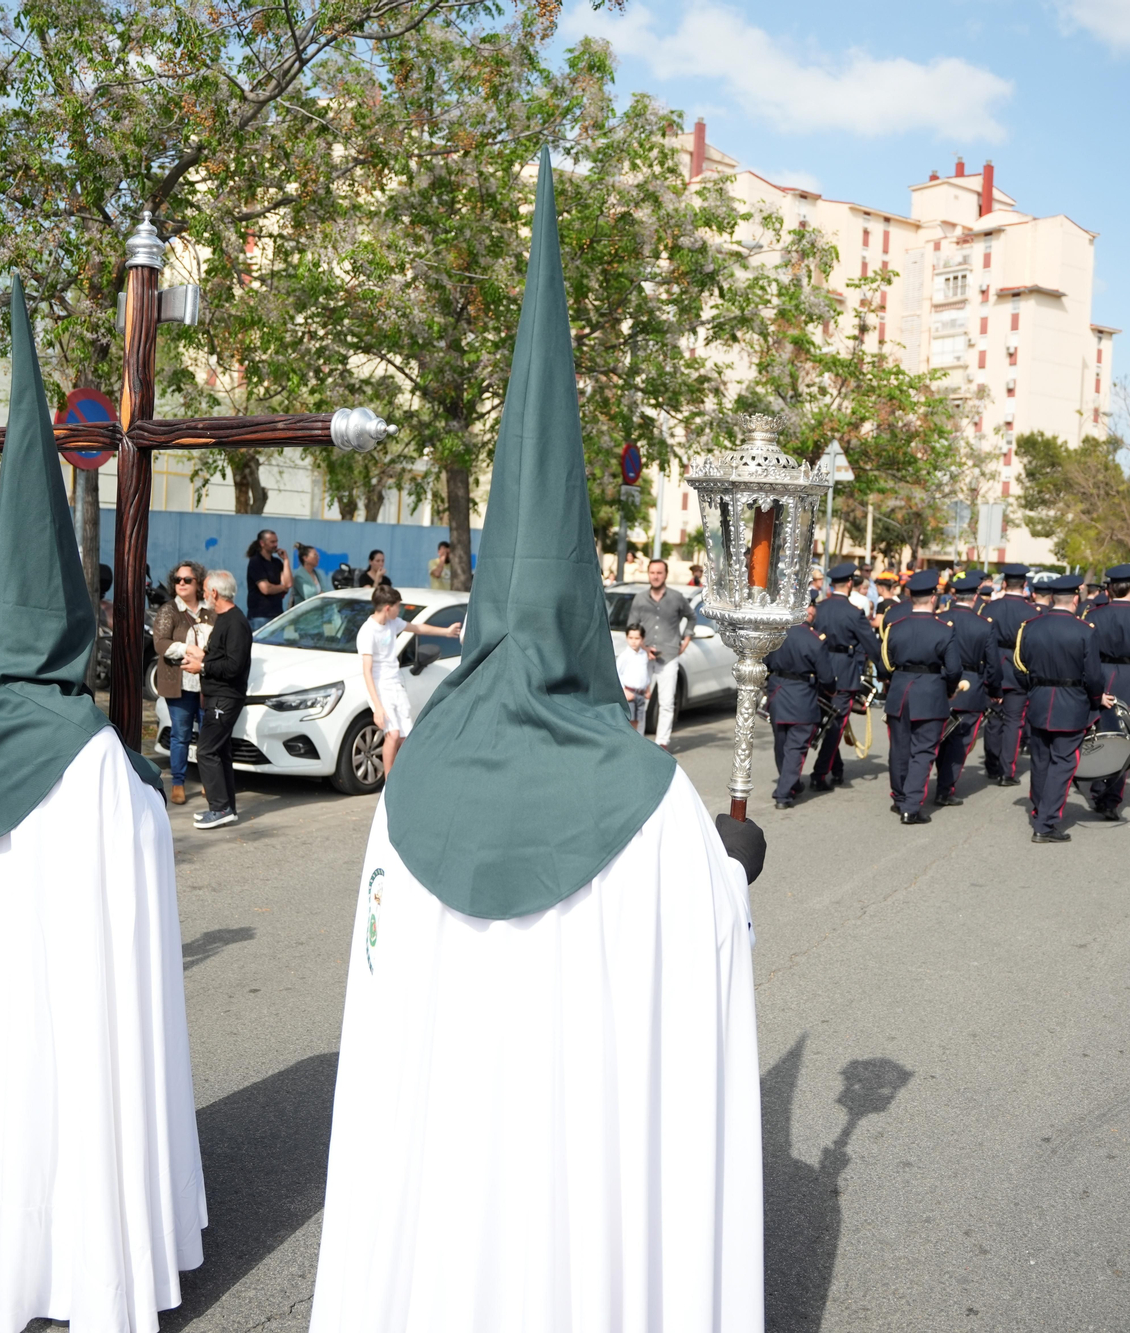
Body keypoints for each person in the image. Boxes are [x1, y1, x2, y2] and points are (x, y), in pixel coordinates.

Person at [308, 162, 763, 1333]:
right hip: (574, 1184)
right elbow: (697, 972)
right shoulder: (651, 801)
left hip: (436, 1174)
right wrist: (732, 866)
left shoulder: (408, 786)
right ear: (578, 618)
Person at [0, 283, 203, 1332]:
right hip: (63, 994)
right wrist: (143, 783)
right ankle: (75, 1245)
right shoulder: (89, 755)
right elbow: (138, 853)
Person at [1012, 573, 1112, 842]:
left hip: (1039, 699)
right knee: (1064, 763)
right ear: (1075, 599)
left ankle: (1039, 809)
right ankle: (1045, 824)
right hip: (1072, 702)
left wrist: (1034, 688)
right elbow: (1094, 677)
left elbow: (1019, 667)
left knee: (1041, 760)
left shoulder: (1030, 626)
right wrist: (1096, 699)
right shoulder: (1085, 630)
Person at [878, 569, 963, 824]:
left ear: (911, 598)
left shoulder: (894, 627)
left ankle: (899, 798)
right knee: (923, 752)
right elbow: (954, 669)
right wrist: (949, 689)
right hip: (930, 692)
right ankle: (911, 806)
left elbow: (884, 667)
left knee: (899, 750)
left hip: (899, 691)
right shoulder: (944, 630)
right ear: (934, 598)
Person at [356, 584, 463, 776]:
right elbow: (367, 671)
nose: (399, 610)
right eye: (398, 606)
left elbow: (418, 628)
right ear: (387, 608)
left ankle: (401, 777)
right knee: (393, 734)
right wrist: (377, 707)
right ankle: (388, 781)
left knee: (405, 736)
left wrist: (446, 632)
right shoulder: (368, 632)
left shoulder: (392, 623)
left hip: (396, 683)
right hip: (380, 687)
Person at [1081, 564, 1130, 820]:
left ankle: (1097, 788)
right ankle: (1111, 799)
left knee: (1098, 739)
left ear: (1109, 589)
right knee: (1126, 744)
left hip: (1101, 680)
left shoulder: (1093, 616)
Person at [809, 562, 884, 791]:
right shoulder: (853, 612)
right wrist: (884, 672)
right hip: (843, 672)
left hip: (818, 669)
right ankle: (820, 773)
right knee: (836, 725)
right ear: (850, 583)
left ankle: (837, 767)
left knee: (829, 723)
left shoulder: (819, 608)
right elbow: (871, 646)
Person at [188, 568, 253, 829]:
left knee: (206, 750)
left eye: (205, 591)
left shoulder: (236, 622)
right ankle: (227, 808)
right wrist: (203, 657)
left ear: (214, 593)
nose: (203, 595)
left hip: (226, 698)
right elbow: (223, 657)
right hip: (218, 695)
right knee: (220, 750)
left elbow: (234, 666)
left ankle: (220, 808)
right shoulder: (225, 618)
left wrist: (203, 667)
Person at [933, 569, 998, 808]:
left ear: (954, 595)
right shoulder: (983, 625)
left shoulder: (939, 618)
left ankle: (940, 783)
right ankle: (945, 788)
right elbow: (993, 664)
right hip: (971, 686)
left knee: (940, 737)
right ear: (975, 597)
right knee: (960, 743)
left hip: (940, 683)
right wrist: (995, 691)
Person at [151, 560, 210, 805]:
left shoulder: (210, 609)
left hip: (208, 684)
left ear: (198, 583)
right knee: (181, 735)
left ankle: (210, 781)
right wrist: (189, 649)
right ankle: (178, 782)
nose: (181, 584)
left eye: (187, 580)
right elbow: (160, 643)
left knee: (208, 736)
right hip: (180, 685)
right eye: (177, 580)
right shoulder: (170, 610)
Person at [624, 558, 697, 751]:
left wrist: (686, 639)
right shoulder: (640, 599)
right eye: (652, 573)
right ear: (648, 574)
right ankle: (638, 740)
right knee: (639, 699)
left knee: (666, 702)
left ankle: (662, 743)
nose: (655, 576)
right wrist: (644, 647)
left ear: (665, 575)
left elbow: (691, 617)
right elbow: (632, 626)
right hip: (644, 656)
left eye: (659, 573)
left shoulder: (676, 597)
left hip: (669, 655)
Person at [763, 607, 831, 808]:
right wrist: (832, 691)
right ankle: (783, 793)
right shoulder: (814, 639)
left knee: (781, 743)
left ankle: (790, 783)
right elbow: (827, 677)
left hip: (777, 694)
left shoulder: (776, 635)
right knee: (796, 747)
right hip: (802, 697)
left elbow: (765, 663)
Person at [982, 563, 1039, 787]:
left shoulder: (989, 608)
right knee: (1014, 721)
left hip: (994, 665)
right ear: (1024, 585)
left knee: (994, 718)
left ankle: (992, 765)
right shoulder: (1032, 612)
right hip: (1018, 668)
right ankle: (1006, 772)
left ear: (1004, 584)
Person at [244, 528, 292, 629]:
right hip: (260, 615)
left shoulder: (277, 562)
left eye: (276, 541)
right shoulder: (256, 562)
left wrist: (286, 560)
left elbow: (288, 584)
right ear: (262, 543)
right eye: (272, 542)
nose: (276, 545)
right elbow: (265, 589)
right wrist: (282, 588)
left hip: (277, 614)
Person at [616, 623, 652, 732]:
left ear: (642, 639)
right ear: (626, 638)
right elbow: (617, 673)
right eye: (631, 638)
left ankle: (638, 741)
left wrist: (647, 689)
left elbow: (645, 673)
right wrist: (624, 691)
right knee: (629, 721)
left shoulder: (644, 654)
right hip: (629, 694)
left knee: (638, 721)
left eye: (637, 638)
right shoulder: (624, 656)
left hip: (640, 694)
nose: (633, 641)